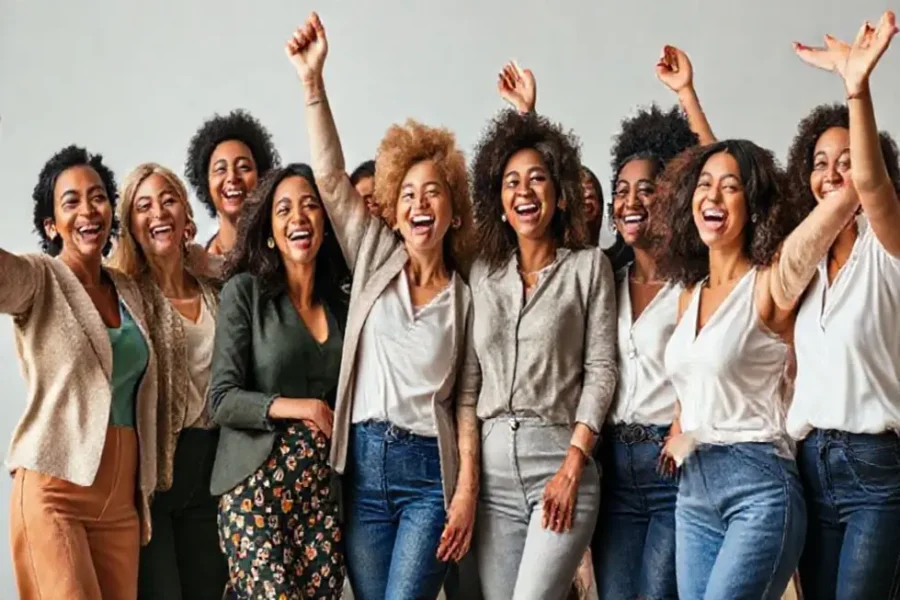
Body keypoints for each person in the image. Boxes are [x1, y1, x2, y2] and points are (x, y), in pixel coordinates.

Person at [287, 13, 479, 600]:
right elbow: (329, 177)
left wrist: (466, 489)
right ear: (393, 209)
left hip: (428, 476)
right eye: (409, 194)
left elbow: (466, 400)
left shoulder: (467, 297)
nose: (420, 204)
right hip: (364, 471)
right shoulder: (373, 255)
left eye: (433, 193)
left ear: (453, 210)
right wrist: (313, 84)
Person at [468, 61, 617, 600]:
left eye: (537, 179)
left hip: (559, 460)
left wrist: (574, 463)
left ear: (560, 193)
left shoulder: (588, 267)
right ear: (498, 203)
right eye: (511, 182)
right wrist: (522, 118)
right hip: (491, 475)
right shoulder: (482, 272)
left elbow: (601, 370)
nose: (524, 191)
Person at [2, 145, 158, 599]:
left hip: (121, 507)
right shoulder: (40, 279)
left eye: (98, 197)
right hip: (56, 495)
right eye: (71, 202)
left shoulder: (128, 289)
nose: (88, 210)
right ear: (51, 225)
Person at [786, 12, 900, 599]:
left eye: (846, 159)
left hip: (876, 470)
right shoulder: (803, 266)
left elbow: (872, 189)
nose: (832, 174)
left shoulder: (888, 249)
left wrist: (857, 90)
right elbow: (730, 195)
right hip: (809, 465)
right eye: (820, 163)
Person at [208, 163, 350, 599]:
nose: (298, 217)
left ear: (325, 222)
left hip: (319, 500)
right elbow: (221, 399)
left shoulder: (343, 306)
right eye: (284, 209)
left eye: (310, 206)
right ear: (270, 231)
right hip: (255, 491)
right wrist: (303, 407)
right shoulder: (244, 293)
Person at [591, 103, 699, 600]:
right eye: (621, 190)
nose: (630, 201)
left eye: (646, 189)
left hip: (669, 465)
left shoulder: (693, 286)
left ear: (671, 198)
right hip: (612, 466)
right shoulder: (604, 283)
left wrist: (688, 95)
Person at [108, 163, 228, 599]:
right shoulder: (126, 294)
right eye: (143, 206)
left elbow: (258, 272)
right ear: (130, 225)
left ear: (185, 213)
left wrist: (205, 259)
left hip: (213, 470)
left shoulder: (214, 289)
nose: (158, 212)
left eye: (168, 200)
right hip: (155, 480)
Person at [185, 109, 281, 255]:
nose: (232, 177)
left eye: (243, 167)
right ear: (206, 182)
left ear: (262, 176)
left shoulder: (284, 252)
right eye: (220, 169)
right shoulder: (198, 263)